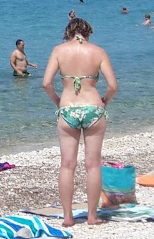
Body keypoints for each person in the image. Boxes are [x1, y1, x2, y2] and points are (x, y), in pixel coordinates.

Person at [42, 18, 118, 228]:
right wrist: (104, 102)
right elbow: (113, 85)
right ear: (88, 32)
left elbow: (46, 83)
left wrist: (58, 101)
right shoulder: (98, 51)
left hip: (67, 108)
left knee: (67, 165)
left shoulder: (59, 50)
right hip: (94, 108)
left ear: (68, 32)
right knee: (93, 165)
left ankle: (68, 217)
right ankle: (92, 216)